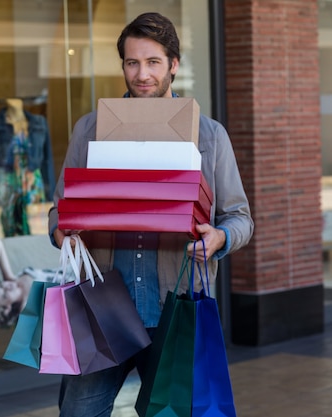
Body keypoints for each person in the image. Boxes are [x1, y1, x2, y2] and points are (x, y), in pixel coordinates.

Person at [47, 12, 254, 417]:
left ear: (173, 65)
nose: (142, 74)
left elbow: (239, 217)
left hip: (174, 307)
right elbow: (59, 213)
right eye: (132, 62)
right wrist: (63, 232)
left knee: (172, 413)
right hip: (101, 306)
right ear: (123, 65)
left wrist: (219, 238)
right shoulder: (89, 129)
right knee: (78, 413)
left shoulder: (209, 135)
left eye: (153, 62)